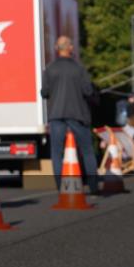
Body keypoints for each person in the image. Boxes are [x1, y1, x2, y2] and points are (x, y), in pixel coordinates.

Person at [41, 35, 100, 197]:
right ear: (71, 48)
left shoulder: (50, 69)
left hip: (56, 114)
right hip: (78, 114)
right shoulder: (79, 69)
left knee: (56, 152)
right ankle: (94, 187)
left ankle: (61, 187)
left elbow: (44, 92)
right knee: (87, 150)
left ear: (56, 49)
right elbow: (88, 91)